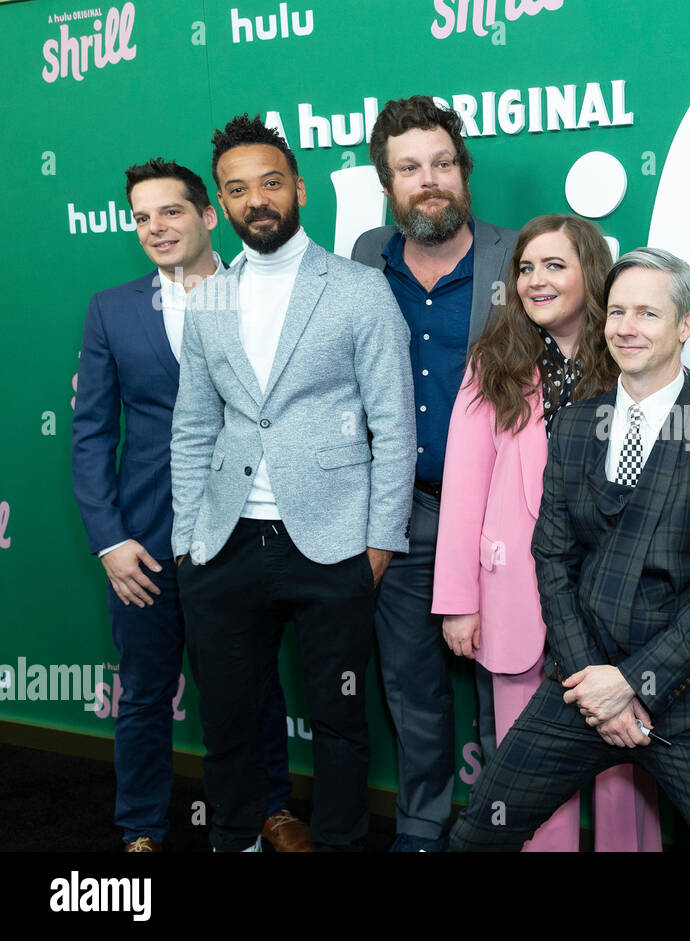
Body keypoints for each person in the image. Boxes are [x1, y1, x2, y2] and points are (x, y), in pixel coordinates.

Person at [448, 248, 690, 852]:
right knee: (478, 832)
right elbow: (552, 559)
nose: (627, 328)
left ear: (685, 325)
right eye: (618, 312)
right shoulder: (576, 425)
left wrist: (633, 682)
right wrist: (591, 684)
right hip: (581, 683)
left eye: (648, 314)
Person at [171, 114, 416, 852]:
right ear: (221, 204)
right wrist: (187, 542)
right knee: (229, 715)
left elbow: (394, 426)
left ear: (298, 188)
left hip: (334, 540)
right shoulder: (208, 298)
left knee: (340, 719)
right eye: (238, 189)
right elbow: (191, 428)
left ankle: (340, 842)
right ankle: (237, 836)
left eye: (270, 183)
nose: (257, 201)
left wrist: (379, 541)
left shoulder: (359, 289)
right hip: (224, 543)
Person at [70, 158, 309, 853]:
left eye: (170, 211)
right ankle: (141, 826)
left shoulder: (263, 297)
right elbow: (89, 434)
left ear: (208, 216)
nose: (155, 227)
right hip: (142, 539)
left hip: (242, 532)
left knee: (248, 682)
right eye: (142, 217)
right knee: (145, 689)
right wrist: (109, 540)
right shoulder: (112, 309)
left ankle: (269, 808)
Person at [432, 214, 661, 851]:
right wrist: (458, 600)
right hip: (515, 603)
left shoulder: (632, 357)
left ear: (592, 272)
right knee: (528, 777)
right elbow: (464, 487)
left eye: (555, 266)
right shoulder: (494, 363)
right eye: (526, 268)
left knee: (621, 775)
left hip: (614, 603)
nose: (536, 280)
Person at [350, 95, 517, 852]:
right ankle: (420, 828)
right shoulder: (361, 260)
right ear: (387, 183)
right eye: (410, 167)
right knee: (411, 686)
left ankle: (501, 829)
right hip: (400, 512)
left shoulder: (519, 258)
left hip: (501, 518)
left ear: (464, 170)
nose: (430, 180)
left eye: (443, 163)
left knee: (507, 686)